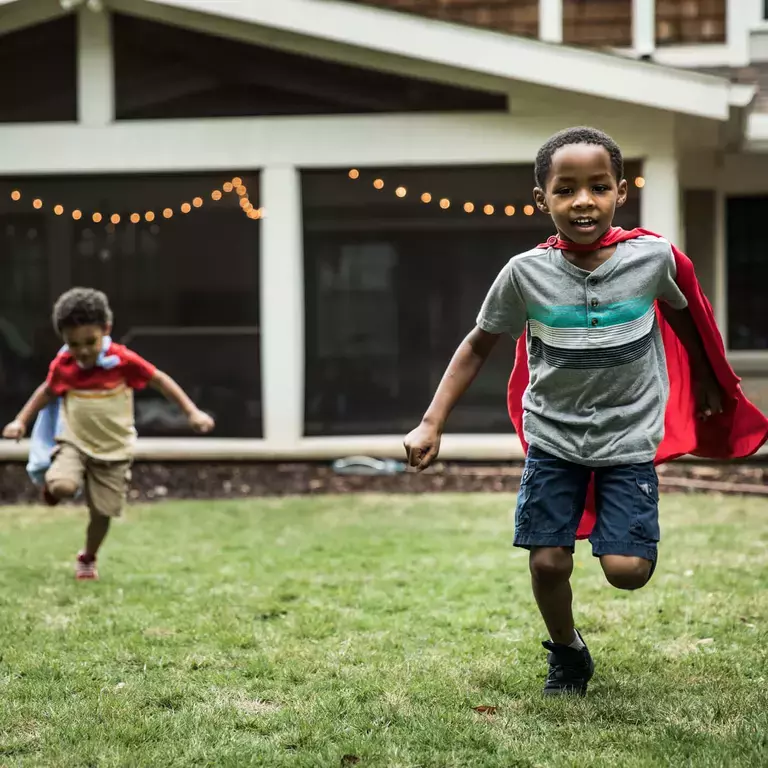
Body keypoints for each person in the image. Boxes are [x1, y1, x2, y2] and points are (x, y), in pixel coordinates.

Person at [403, 126, 768, 696]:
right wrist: (432, 420)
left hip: (627, 440)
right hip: (554, 437)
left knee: (627, 572)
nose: (583, 201)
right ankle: (568, 651)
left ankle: (623, 542)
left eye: (598, 187)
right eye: (566, 189)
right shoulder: (524, 273)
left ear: (621, 192)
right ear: (542, 198)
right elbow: (477, 343)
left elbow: (683, 315)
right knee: (548, 561)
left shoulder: (650, 259)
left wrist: (704, 380)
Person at [2, 287, 214, 580]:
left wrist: (192, 412)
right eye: (73, 344)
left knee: (102, 513)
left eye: (90, 341)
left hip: (114, 449)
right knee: (63, 486)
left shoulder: (123, 361)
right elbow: (47, 391)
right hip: (74, 442)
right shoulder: (65, 365)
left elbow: (160, 381)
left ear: (106, 330)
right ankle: (56, 482)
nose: (83, 351)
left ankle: (88, 557)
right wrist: (20, 421)